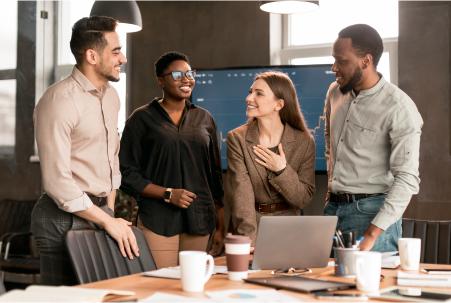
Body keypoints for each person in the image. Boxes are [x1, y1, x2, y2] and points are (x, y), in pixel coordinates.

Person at [31, 16, 139, 285]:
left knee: (104, 294)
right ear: (92, 55)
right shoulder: (58, 101)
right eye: (116, 51)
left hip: (102, 213)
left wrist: (110, 210)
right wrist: (105, 220)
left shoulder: (111, 97)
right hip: (62, 219)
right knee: (65, 301)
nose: (123, 58)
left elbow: (111, 158)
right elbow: (57, 182)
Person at [119, 51, 224, 268]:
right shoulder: (141, 119)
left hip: (200, 217)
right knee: (161, 283)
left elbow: (215, 176)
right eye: (178, 74)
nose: (186, 79)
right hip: (158, 218)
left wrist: (221, 225)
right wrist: (167, 194)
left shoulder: (205, 119)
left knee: (193, 284)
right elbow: (127, 174)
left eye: (190, 73)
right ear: (161, 80)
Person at [323, 24, 423, 252]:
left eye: (342, 61)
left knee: (374, 288)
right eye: (334, 60)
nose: (334, 67)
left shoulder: (399, 107)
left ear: (365, 61)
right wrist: (330, 195)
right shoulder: (334, 92)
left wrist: (372, 234)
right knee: (329, 286)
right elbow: (331, 144)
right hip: (332, 212)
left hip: (372, 216)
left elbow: (406, 178)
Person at [226, 71, 316, 245]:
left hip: (291, 232)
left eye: (258, 93)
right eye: (250, 91)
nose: (249, 98)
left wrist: (282, 170)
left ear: (279, 104)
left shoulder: (304, 142)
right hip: (250, 229)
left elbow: (302, 199)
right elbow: (241, 197)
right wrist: (249, 244)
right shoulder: (237, 138)